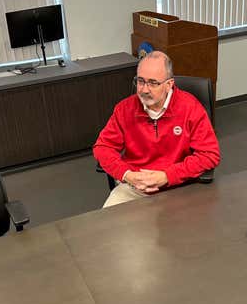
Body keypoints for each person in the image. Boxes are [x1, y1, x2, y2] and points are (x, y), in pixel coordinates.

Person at [93, 51, 221, 207]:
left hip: (179, 187)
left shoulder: (190, 108)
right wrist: (127, 174)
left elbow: (210, 155)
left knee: (190, 229)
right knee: (108, 227)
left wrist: (168, 176)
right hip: (134, 187)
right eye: (140, 81)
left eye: (153, 83)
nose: (144, 89)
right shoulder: (124, 109)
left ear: (169, 85)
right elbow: (103, 147)